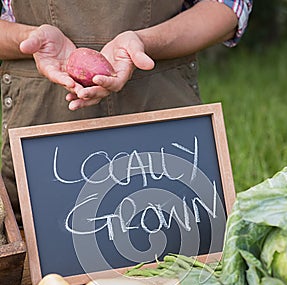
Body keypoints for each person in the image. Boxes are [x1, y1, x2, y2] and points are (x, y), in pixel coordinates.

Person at [0, 0, 252, 221]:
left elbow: (228, 7)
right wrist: (29, 39)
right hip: (41, 119)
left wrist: (145, 42)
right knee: (40, 254)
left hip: (162, 109)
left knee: (183, 245)